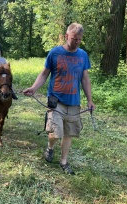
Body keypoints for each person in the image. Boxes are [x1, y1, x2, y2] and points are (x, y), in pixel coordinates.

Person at [23, 23, 95, 175]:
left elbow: (85, 79)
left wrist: (90, 100)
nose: (76, 42)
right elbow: (44, 74)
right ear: (66, 35)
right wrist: (33, 88)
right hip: (55, 100)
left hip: (74, 102)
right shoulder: (55, 53)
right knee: (57, 132)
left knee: (68, 134)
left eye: (79, 40)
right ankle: (50, 147)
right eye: (74, 38)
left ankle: (64, 161)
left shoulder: (83, 55)